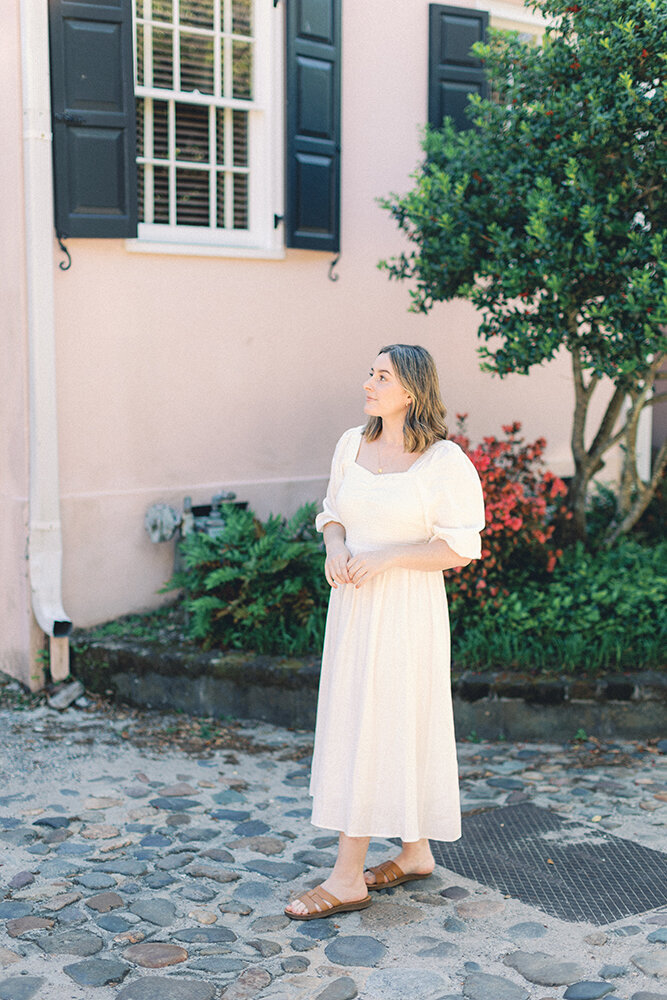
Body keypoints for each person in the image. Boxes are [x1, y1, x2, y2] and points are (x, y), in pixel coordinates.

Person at [284, 344, 485, 920]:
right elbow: (332, 510)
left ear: (412, 392)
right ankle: (415, 852)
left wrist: (389, 557)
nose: (368, 383)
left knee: (383, 722)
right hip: (353, 611)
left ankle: (348, 877)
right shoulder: (352, 442)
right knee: (359, 718)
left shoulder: (444, 462)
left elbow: (460, 546)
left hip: (405, 614)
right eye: (369, 372)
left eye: (382, 376)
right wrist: (336, 546)